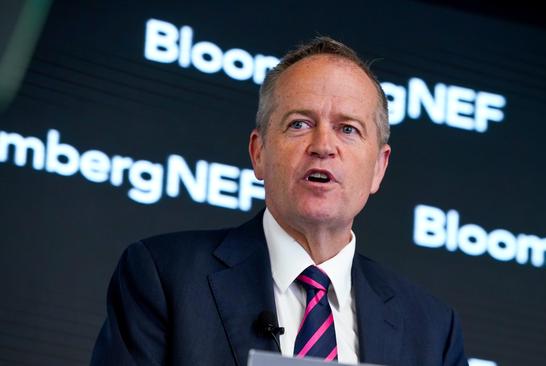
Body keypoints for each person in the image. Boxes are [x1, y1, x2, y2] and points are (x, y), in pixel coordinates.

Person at [91, 36, 468, 366]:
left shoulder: (433, 331)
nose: (323, 146)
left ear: (378, 169)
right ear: (259, 153)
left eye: (348, 129)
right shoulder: (165, 276)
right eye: (299, 124)